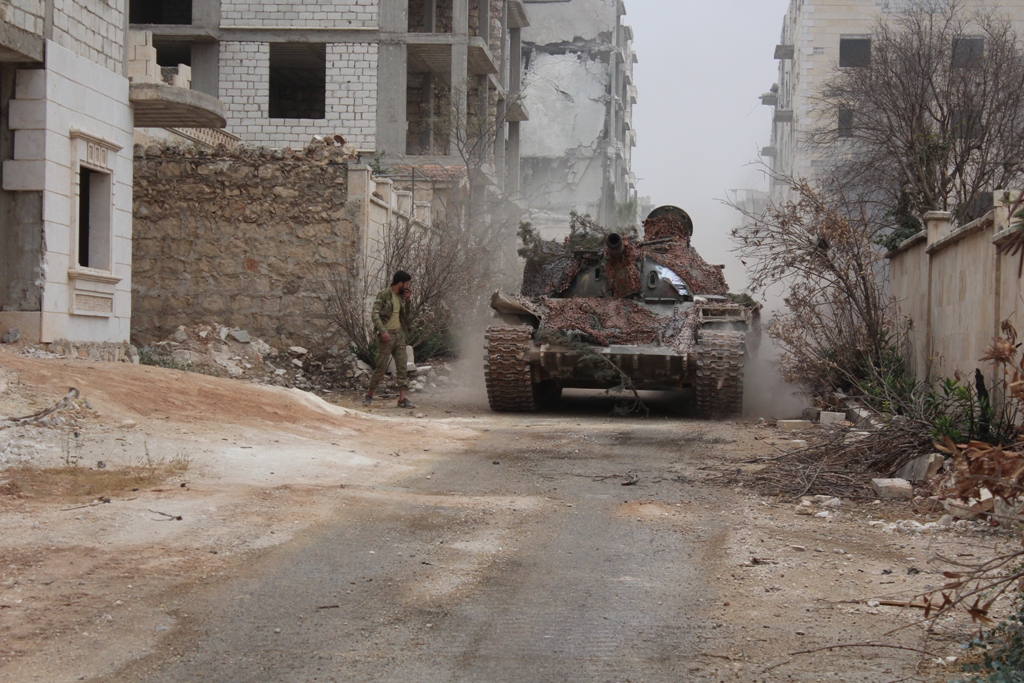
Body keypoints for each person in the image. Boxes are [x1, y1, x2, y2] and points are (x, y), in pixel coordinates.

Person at [363, 270, 415, 408]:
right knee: (380, 367)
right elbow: (375, 314)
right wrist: (382, 331)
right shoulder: (384, 295)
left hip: (399, 335)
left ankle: (402, 398)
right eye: (406, 283)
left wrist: (408, 301)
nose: (407, 286)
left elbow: (406, 316)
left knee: (402, 366)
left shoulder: (402, 297)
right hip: (386, 336)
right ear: (400, 283)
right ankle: (369, 395)